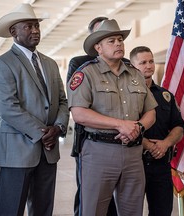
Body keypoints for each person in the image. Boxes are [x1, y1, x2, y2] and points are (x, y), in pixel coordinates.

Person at [67, 19, 157, 215]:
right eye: (111, 41)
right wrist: (121, 125)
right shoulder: (85, 73)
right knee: (93, 210)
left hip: (133, 154)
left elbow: (151, 111)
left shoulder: (135, 74)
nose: (118, 43)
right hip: (99, 152)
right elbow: (79, 113)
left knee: (132, 211)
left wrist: (138, 127)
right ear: (98, 47)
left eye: (120, 40)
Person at [0, 3, 69, 216]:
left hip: (48, 151)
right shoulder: (2, 64)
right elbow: (8, 108)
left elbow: (63, 101)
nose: (35, 30)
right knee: (10, 209)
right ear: (13, 32)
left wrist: (59, 127)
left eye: (37, 26)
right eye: (28, 26)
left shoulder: (51, 64)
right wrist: (43, 133)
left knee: (43, 209)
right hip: (17, 151)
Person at [67, 16, 118, 216]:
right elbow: (78, 104)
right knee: (89, 195)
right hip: (90, 140)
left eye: (114, 36)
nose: (112, 41)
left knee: (118, 195)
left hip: (122, 142)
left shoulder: (126, 65)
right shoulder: (80, 64)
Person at [130, 46, 184, 216]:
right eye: (143, 62)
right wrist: (147, 144)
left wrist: (165, 144)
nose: (149, 66)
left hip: (161, 165)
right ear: (132, 66)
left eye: (151, 61)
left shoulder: (165, 95)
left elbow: (179, 126)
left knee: (162, 211)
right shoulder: (125, 95)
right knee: (129, 211)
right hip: (133, 163)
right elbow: (125, 124)